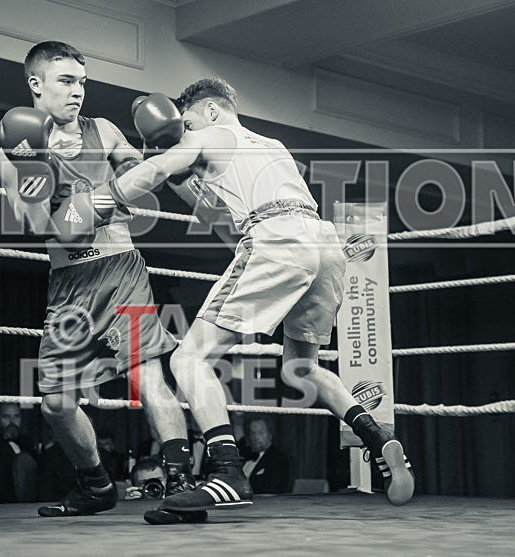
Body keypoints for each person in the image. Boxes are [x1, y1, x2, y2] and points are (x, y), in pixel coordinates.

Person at [65, 77, 415, 519]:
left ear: (209, 112)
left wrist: (87, 205)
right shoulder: (270, 145)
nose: (184, 130)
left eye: (186, 122)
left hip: (275, 238)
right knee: (300, 367)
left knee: (187, 359)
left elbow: (153, 172)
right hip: (324, 245)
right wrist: (183, 169)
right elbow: (217, 216)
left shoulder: (208, 134)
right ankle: (376, 436)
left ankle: (227, 471)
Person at [0, 41, 197, 522]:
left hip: (120, 266)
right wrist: (48, 181)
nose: (78, 91)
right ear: (35, 84)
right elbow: (42, 226)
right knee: (55, 403)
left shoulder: (103, 130)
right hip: (69, 281)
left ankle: (180, 482)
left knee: (146, 373)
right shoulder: (14, 150)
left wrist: (160, 152)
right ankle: (96, 484)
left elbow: (142, 179)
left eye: (83, 81)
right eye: (67, 80)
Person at [0, 403, 40, 503]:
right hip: (2, 506)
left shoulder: (28, 443)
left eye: (16, 416)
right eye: (6, 417)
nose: (12, 422)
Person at [242, 417, 290, 494]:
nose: (255, 437)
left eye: (260, 432)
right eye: (252, 433)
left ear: (270, 435)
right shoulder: (244, 454)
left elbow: (273, 490)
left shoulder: (278, 458)